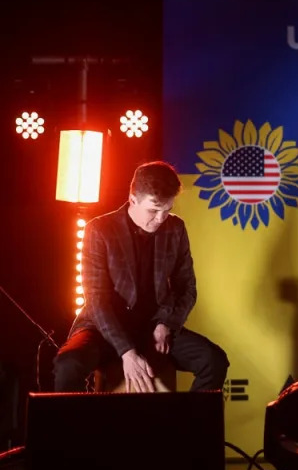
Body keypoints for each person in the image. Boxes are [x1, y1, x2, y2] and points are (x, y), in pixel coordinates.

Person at [53, 161, 228, 393]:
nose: (160, 218)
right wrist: (127, 351)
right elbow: (97, 300)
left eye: (167, 210)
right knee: (67, 364)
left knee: (214, 360)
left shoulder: (176, 228)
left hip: (155, 326)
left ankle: (186, 428)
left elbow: (187, 288)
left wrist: (167, 323)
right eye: (154, 210)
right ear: (133, 199)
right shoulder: (99, 229)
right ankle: (78, 429)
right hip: (104, 328)